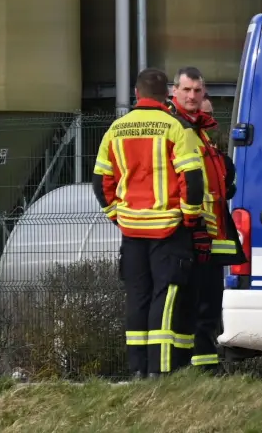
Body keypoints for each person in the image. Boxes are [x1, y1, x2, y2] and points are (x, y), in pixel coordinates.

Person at [92, 68, 206, 378]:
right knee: (164, 296)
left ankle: (138, 370)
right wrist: (190, 216)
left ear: (136, 93)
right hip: (169, 230)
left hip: (132, 230)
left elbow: (101, 181)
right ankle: (160, 370)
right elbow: (192, 180)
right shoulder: (175, 128)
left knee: (137, 297)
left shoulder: (116, 129)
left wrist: (118, 215)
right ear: (168, 93)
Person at [166, 71, 241, 373]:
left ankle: (206, 367)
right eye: (187, 89)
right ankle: (182, 369)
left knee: (209, 302)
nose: (193, 96)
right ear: (175, 91)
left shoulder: (203, 131)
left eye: (198, 90)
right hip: (188, 231)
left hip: (212, 232)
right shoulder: (176, 128)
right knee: (188, 305)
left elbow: (222, 174)